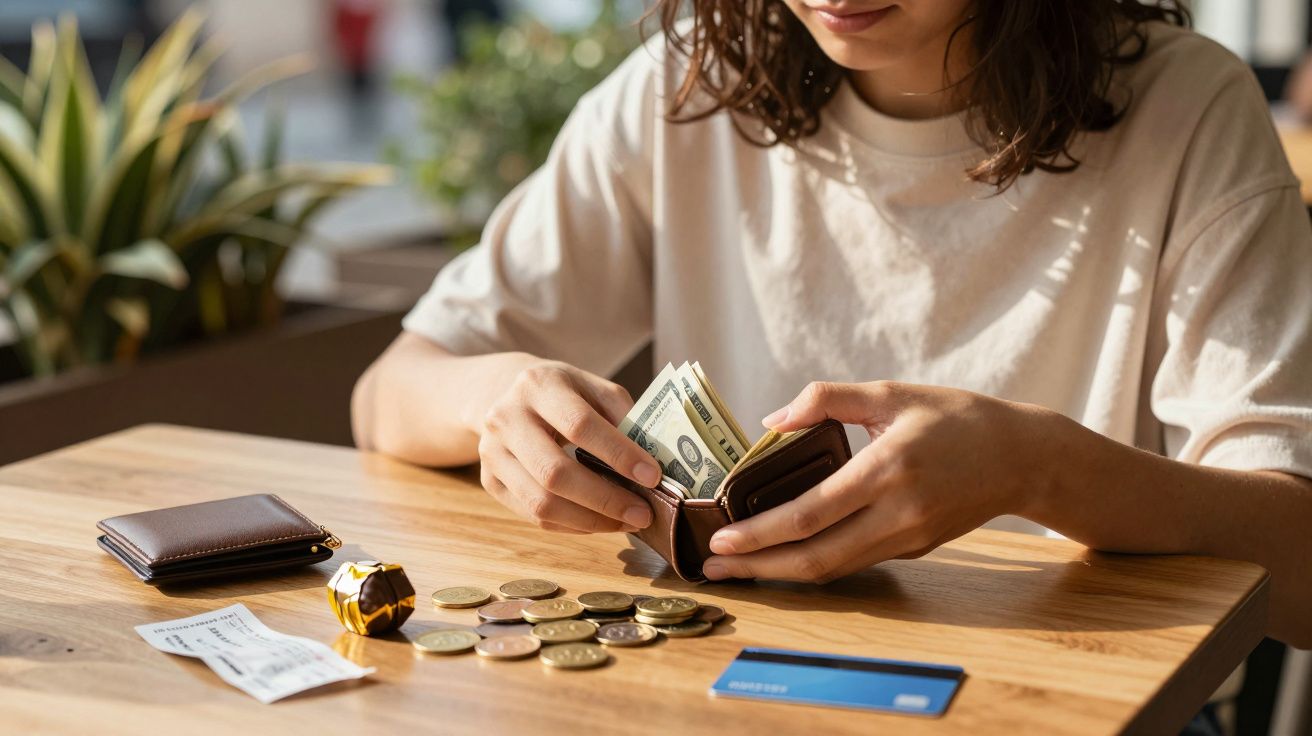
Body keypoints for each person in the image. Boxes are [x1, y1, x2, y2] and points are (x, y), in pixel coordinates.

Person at [352, 0, 1312, 649]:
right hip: (730, 674)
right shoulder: (683, 89)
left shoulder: (1187, 112)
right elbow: (390, 392)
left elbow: (1301, 569)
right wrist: (491, 399)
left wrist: (1037, 469)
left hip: (1072, 684)